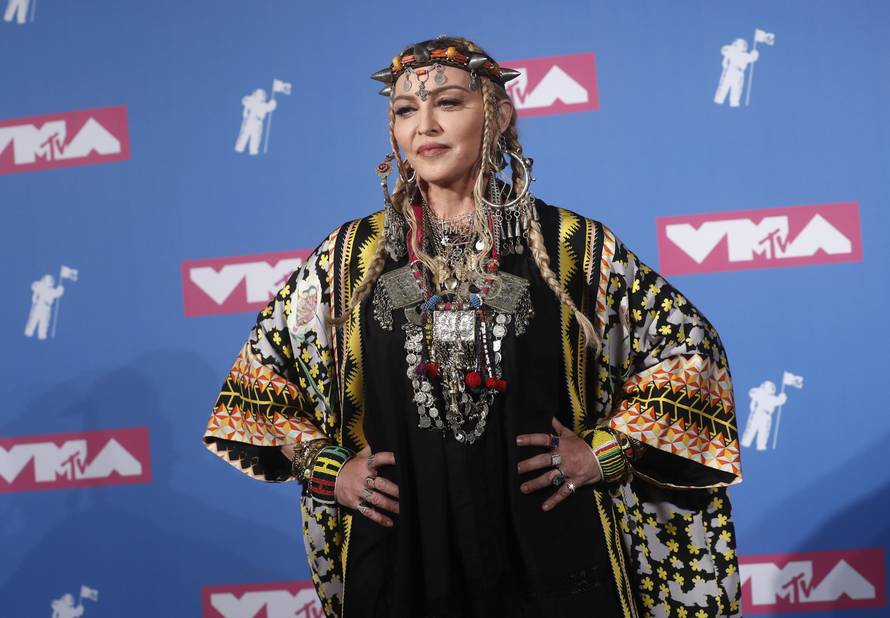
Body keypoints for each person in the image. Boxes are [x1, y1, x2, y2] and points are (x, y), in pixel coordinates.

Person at [203, 36, 743, 618]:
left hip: (551, 548)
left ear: (499, 115)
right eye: (406, 110)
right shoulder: (349, 259)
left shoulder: (574, 248)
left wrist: (606, 450)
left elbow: (689, 349)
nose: (425, 126)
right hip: (403, 556)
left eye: (449, 103)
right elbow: (260, 382)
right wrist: (327, 468)